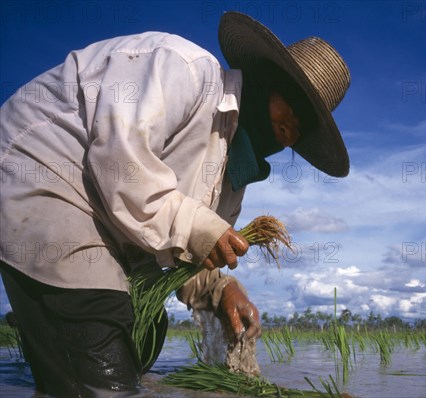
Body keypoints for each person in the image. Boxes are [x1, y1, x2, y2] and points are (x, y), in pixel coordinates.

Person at [0, 11, 350, 397]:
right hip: (46, 174)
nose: (289, 131)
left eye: (301, 128)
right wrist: (200, 228)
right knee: (104, 375)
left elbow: (180, 249)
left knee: (144, 338)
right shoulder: (183, 69)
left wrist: (221, 291)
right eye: (292, 106)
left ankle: (45, 331)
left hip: (107, 228)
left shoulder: (230, 184)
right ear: (268, 79)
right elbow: (120, 162)